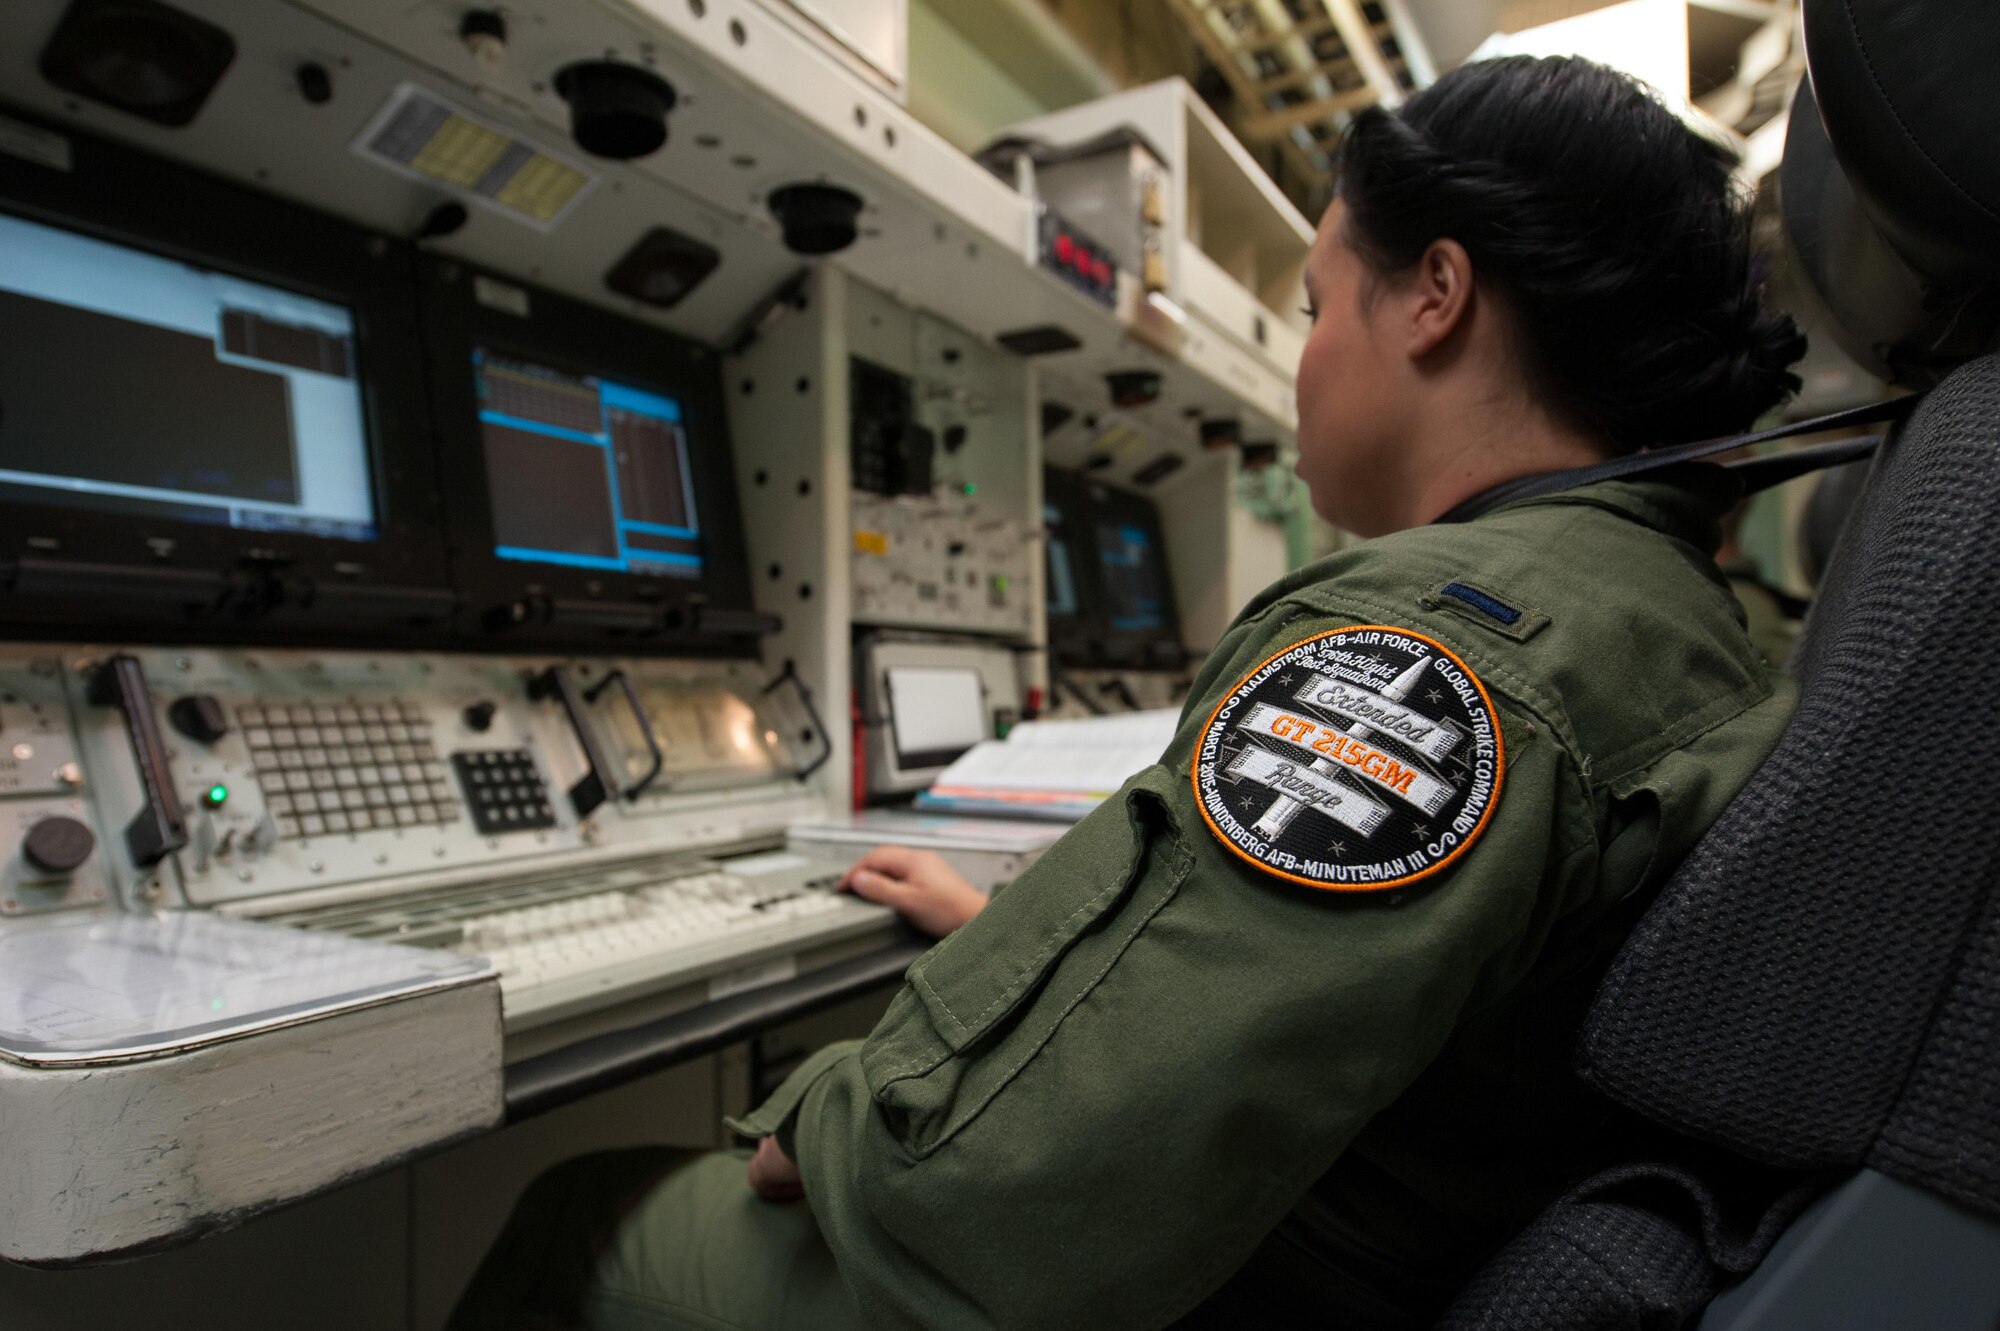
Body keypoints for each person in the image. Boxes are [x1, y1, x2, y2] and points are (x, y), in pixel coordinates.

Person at [449, 54, 1807, 1331]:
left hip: (1230, 1282)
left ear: (1436, 296)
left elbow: (999, 1197)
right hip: (1354, 1244)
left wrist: (835, 1119)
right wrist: (1016, 939)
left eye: (1321, 305)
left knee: (576, 1215)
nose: (1309, 358)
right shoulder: (1674, 619)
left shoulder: (1435, 647)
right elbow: (1359, 996)